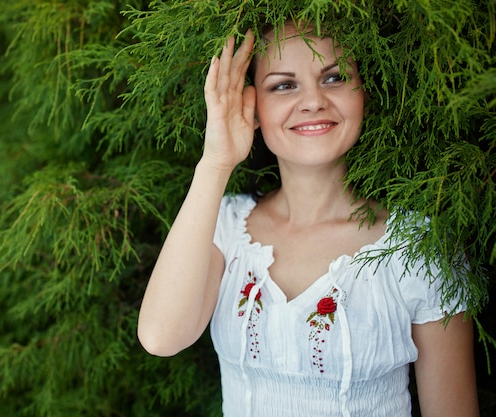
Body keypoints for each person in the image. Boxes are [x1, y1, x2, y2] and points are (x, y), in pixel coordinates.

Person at [137, 21, 479, 417]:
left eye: (334, 77)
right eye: (283, 85)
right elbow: (161, 337)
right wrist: (216, 162)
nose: (313, 100)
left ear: (363, 92)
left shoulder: (418, 249)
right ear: (253, 107)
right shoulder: (224, 228)